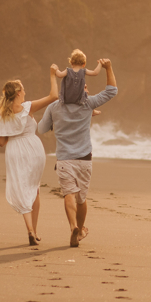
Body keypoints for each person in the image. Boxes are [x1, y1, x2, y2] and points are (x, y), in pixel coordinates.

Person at [38, 57, 118, 247]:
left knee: (68, 195)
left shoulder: (54, 107)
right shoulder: (87, 104)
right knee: (81, 199)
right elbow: (111, 91)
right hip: (84, 159)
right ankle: (80, 230)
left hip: (65, 159)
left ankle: (73, 226)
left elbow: (41, 129)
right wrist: (108, 68)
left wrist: (53, 122)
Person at [0, 65, 59, 247]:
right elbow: (54, 96)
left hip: (14, 151)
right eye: (23, 88)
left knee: (22, 189)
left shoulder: (2, 115)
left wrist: (13, 132)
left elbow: (1, 142)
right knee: (34, 190)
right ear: (19, 93)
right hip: (32, 149)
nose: (25, 91)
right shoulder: (27, 107)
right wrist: (52, 75)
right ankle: (35, 232)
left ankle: (30, 229)